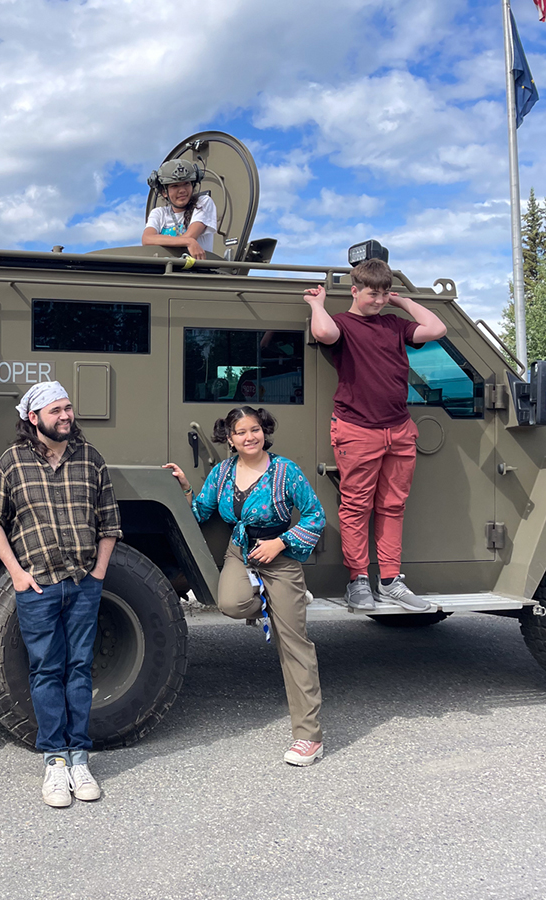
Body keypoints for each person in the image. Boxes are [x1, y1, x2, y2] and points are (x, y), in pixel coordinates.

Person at [0, 381, 123, 807]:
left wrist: (98, 572)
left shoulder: (90, 459)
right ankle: (55, 763)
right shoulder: (12, 462)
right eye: (56, 410)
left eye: (68, 408)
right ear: (33, 418)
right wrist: (16, 574)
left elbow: (109, 520)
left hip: (82, 584)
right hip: (38, 586)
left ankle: (80, 757)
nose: (66, 416)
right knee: (46, 670)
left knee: (79, 668)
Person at [163, 406, 327, 766]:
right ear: (230, 438)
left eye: (255, 430)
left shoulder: (286, 471)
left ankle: (308, 736)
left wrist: (280, 543)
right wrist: (186, 489)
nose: (249, 437)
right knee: (231, 604)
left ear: (264, 432)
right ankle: (275, 603)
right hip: (241, 552)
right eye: (240, 432)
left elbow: (316, 515)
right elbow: (201, 513)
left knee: (293, 643)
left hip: (280, 556)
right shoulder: (222, 473)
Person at [302, 258, 447, 611]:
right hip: (357, 429)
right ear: (355, 291)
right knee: (356, 506)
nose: (379, 300)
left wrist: (404, 301)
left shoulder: (395, 325)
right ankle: (358, 581)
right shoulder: (343, 325)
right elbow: (323, 333)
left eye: (384, 294)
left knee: (393, 506)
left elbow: (436, 329)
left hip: (398, 429)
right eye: (373, 294)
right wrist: (316, 304)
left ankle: (391, 581)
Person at [141, 159, 219, 259]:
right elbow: (147, 239)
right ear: (164, 192)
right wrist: (188, 242)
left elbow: (190, 236)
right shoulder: (159, 213)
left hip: (197, 270)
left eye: (186, 184)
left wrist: (188, 240)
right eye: (175, 186)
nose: (182, 190)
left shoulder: (203, 203)